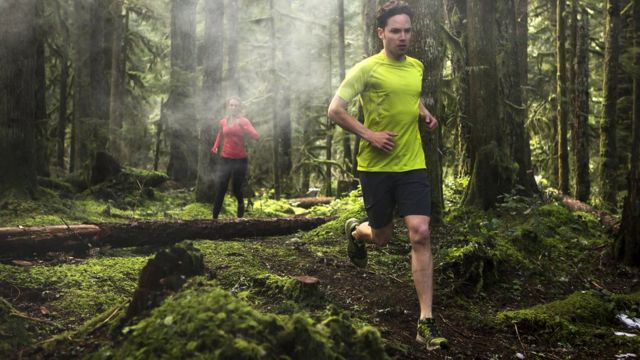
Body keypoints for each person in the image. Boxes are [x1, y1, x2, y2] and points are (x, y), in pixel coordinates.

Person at [327, 0, 447, 351]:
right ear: (381, 33)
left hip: (412, 163)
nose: (403, 37)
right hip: (376, 167)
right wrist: (369, 135)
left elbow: (409, 98)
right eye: (395, 31)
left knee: (420, 233)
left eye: (407, 30)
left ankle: (426, 320)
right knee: (381, 237)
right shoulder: (366, 69)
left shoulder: (417, 67)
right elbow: (335, 109)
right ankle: (356, 231)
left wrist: (424, 114)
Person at [211, 96, 259, 219]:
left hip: (240, 160)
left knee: (236, 189)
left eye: (236, 105)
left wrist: (246, 128)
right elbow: (220, 134)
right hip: (225, 158)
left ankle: (240, 208)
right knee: (221, 186)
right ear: (228, 107)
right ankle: (214, 219)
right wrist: (215, 146)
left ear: (239, 108)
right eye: (231, 105)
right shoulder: (223, 121)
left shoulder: (244, 121)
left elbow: (256, 136)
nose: (233, 107)